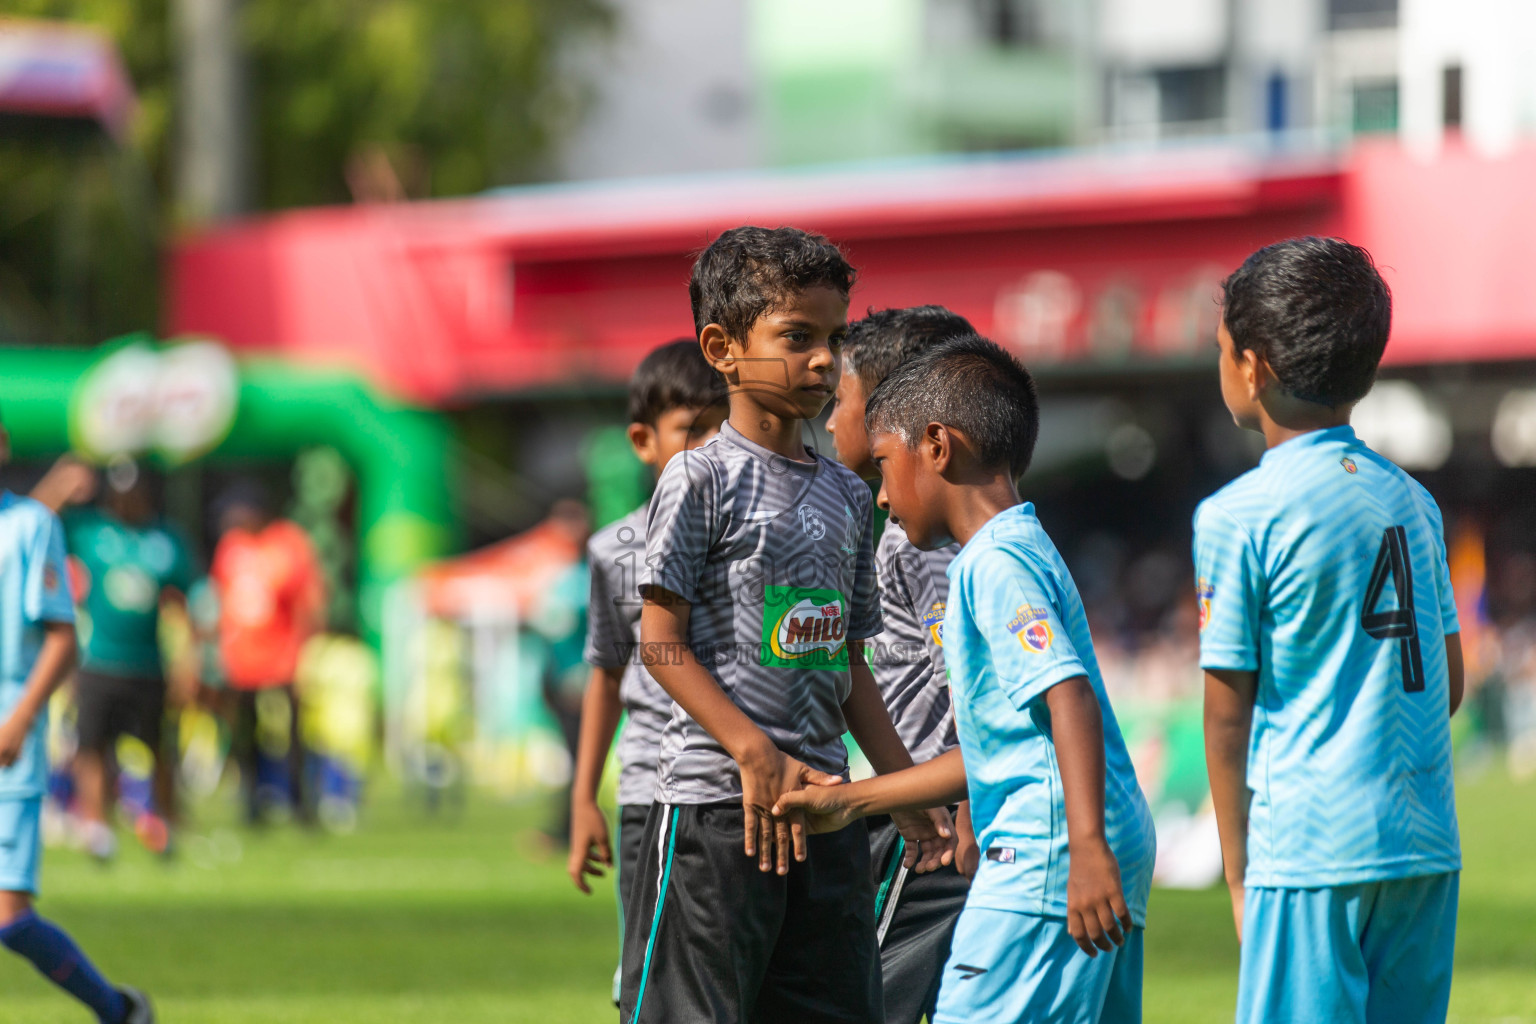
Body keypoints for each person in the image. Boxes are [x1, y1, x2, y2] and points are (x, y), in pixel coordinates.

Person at [622, 226, 954, 1024]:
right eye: (797, 337)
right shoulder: (699, 480)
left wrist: (898, 789)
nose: (822, 360)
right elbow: (658, 640)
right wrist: (751, 750)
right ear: (722, 348)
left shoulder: (847, 496)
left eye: (833, 338)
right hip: (715, 808)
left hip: (827, 811)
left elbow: (847, 665)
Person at [776, 335, 1157, 1024]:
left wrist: (1086, 847)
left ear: (938, 447)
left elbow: (1067, 695)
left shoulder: (991, 564)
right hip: (1081, 836)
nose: (884, 495)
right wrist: (954, 806)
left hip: (1052, 851)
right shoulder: (1025, 544)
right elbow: (1009, 739)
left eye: (887, 465)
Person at [1195, 237, 1463, 1024]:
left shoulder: (1238, 513)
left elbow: (1224, 714)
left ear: (1255, 366)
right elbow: (1447, 679)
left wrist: (1239, 874)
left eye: (1221, 350)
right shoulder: (1414, 502)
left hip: (1310, 847)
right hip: (1423, 845)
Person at [825, 305, 979, 1024]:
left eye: (841, 402)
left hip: (927, 819)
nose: (829, 422)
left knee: (870, 1001)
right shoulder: (894, 528)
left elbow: (974, 677)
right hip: (916, 805)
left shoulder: (923, 543)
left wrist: (965, 797)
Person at [566, 339, 728, 1003]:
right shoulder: (615, 550)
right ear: (643, 440)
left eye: (725, 429)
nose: (711, 449)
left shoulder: (755, 538)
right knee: (650, 984)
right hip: (651, 791)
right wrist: (581, 801)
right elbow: (606, 675)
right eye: (692, 431)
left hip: (735, 787)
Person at [0, 420, 154, 1023]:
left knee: (9, 919)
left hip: (10, 734)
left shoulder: (31, 526)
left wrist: (22, 717)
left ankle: (118, 1010)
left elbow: (63, 638)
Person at [66, 461, 197, 860]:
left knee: (158, 747)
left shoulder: (166, 539)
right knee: (91, 744)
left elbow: (186, 602)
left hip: (147, 663)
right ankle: (96, 825)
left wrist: (188, 661)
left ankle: (166, 821)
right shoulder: (89, 533)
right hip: (99, 659)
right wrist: (62, 486)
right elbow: (32, 526)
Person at [210, 481, 325, 826]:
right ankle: (251, 802)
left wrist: (309, 649)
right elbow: (223, 599)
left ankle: (300, 803)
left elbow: (308, 598)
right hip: (242, 658)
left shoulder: (288, 542)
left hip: (283, 655)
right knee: (245, 733)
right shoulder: (232, 546)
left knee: (294, 734)